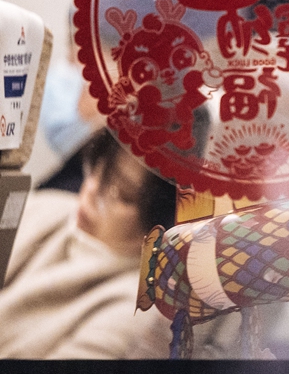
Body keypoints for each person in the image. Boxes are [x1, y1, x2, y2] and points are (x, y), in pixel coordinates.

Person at [0, 130, 177, 358]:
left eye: (121, 193)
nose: (92, 189)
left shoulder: (136, 314)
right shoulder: (47, 208)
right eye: (99, 167)